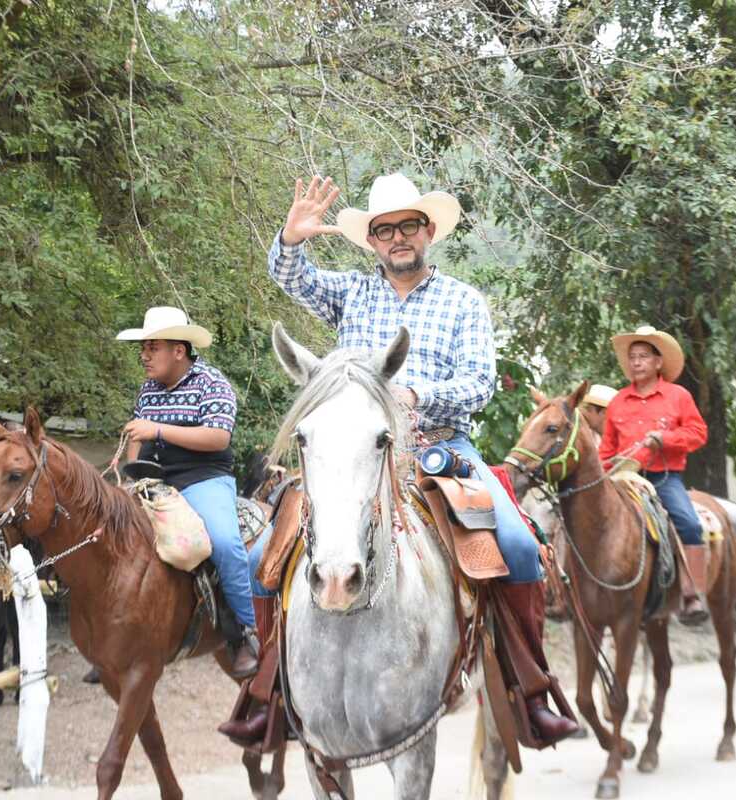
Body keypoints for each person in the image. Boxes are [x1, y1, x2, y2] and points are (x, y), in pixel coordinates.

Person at [219, 172, 579, 746]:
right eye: (384, 230)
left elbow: (480, 383)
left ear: (428, 231)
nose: (397, 238)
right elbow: (292, 277)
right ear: (372, 241)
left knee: (515, 546)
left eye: (408, 226)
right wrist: (290, 238)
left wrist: (415, 394)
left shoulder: (463, 301)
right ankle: (271, 693)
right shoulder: (351, 294)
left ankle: (529, 690)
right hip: (353, 453)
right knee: (265, 555)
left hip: (441, 449)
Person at [116, 306, 257, 678]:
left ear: (179, 350)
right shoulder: (148, 389)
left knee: (224, 543)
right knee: (110, 532)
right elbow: (137, 435)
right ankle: (118, 633)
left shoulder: (212, 383)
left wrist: (158, 430)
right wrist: (129, 476)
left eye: (153, 347)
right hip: (153, 479)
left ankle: (245, 632)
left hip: (203, 479)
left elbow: (218, 437)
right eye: (143, 348)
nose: (144, 355)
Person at [599, 326, 710, 625]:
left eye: (643, 356)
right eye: (633, 357)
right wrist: (603, 469)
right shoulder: (618, 401)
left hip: (664, 477)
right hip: (623, 479)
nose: (636, 362)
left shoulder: (678, 396)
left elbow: (698, 433)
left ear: (658, 362)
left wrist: (666, 439)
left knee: (688, 523)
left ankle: (691, 594)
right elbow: (606, 449)